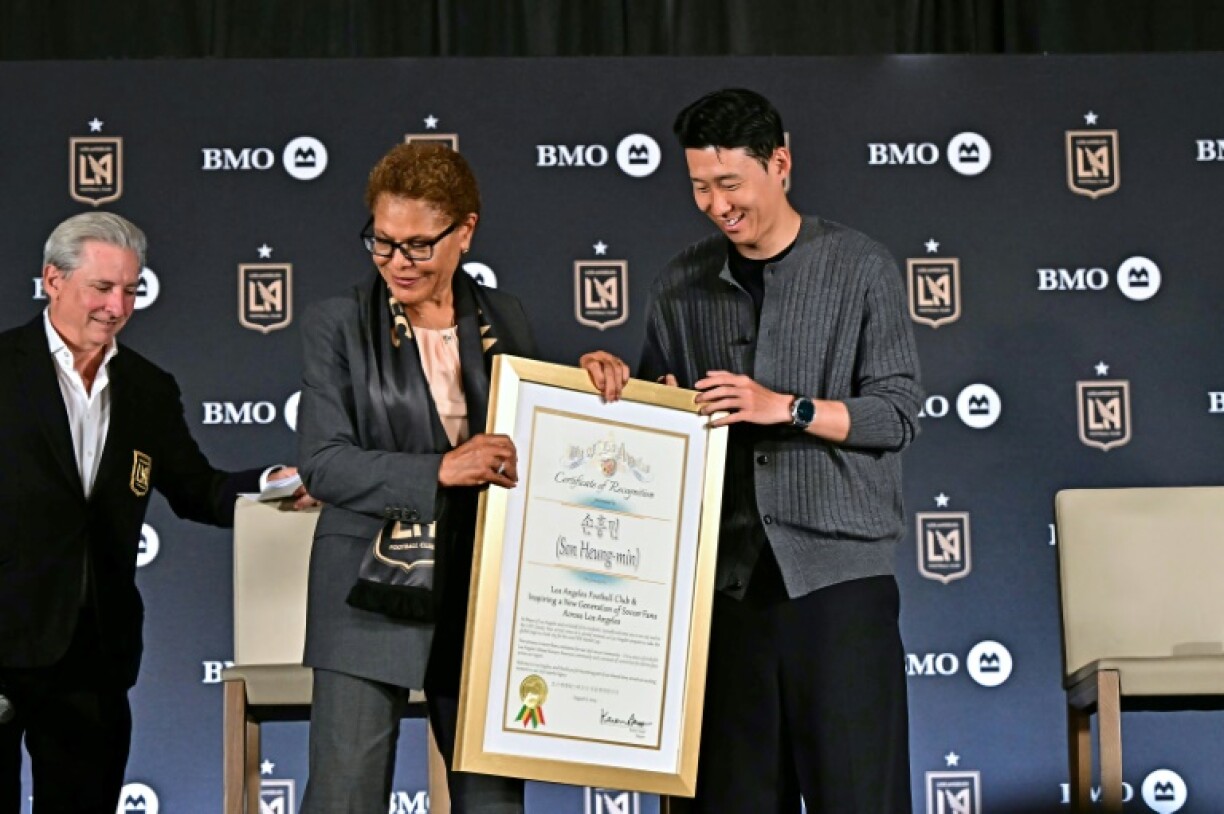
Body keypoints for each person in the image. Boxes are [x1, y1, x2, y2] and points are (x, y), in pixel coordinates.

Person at [581, 88, 923, 813]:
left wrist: (785, 408)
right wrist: (629, 393)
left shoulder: (861, 266)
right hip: (721, 594)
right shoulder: (680, 282)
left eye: (730, 184)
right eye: (700, 187)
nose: (716, 205)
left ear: (782, 164)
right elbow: (652, 430)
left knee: (860, 795)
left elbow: (896, 415)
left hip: (839, 589)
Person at [0, 211, 310, 814]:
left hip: (94, 656)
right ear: (52, 281)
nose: (117, 307)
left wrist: (275, 483)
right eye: (101, 288)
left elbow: (198, 489)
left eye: (130, 290)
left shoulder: (147, 388)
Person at [297, 142, 535, 814]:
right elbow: (325, 462)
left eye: (418, 245)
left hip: (478, 588)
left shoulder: (505, 317)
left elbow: (525, 440)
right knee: (345, 799)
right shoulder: (335, 324)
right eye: (382, 241)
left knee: (492, 804)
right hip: (365, 594)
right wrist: (441, 470)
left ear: (465, 232)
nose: (397, 262)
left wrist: (600, 386)